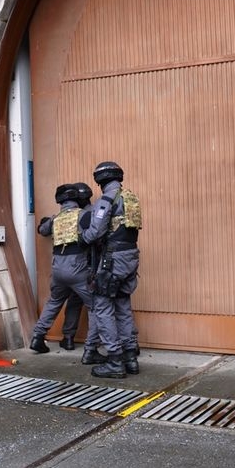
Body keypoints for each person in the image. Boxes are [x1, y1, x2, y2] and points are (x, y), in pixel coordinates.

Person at [80, 161, 142, 378]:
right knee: (123, 304)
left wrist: (83, 238)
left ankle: (114, 361)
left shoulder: (106, 200)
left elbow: (95, 232)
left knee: (102, 306)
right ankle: (130, 357)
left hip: (112, 259)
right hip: (130, 257)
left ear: (100, 179)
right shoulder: (131, 198)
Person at [30, 183, 98, 358]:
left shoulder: (56, 218)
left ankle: (38, 337)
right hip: (78, 269)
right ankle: (91, 348)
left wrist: (46, 221)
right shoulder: (84, 215)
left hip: (58, 270)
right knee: (96, 306)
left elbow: (42, 229)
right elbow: (98, 233)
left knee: (54, 302)